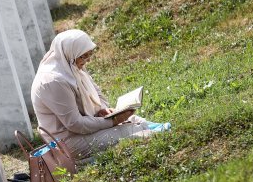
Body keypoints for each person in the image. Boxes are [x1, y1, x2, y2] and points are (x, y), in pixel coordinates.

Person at [31, 29, 169, 161]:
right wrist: (112, 121)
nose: (88, 60)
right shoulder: (54, 81)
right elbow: (75, 124)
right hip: (68, 142)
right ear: (69, 52)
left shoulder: (72, 64)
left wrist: (103, 110)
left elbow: (96, 92)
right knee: (130, 130)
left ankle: (151, 128)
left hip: (84, 127)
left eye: (90, 54)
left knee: (133, 119)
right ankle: (153, 132)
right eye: (84, 56)